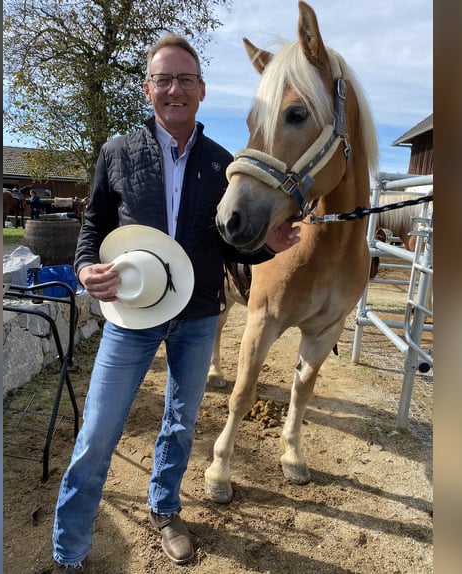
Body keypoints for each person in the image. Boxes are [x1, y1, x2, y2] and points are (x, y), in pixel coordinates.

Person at [51, 33, 301, 571]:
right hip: (132, 313)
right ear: (148, 89)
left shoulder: (222, 164)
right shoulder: (117, 153)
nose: (174, 90)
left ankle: (164, 508)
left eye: (185, 80)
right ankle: (69, 549)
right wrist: (84, 267)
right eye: (163, 79)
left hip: (196, 317)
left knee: (181, 423)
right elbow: (92, 226)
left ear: (202, 91)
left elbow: (231, 245)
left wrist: (267, 246)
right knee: (98, 431)